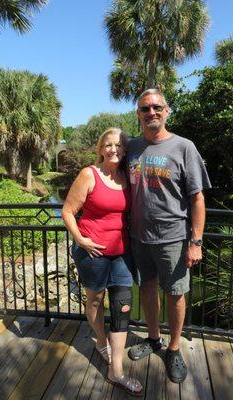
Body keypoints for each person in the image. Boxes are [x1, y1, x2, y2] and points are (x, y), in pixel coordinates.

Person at [126, 89, 211, 383]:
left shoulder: (184, 147)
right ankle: (153, 339)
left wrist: (196, 242)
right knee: (147, 289)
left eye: (156, 107)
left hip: (173, 238)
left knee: (175, 294)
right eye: (145, 108)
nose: (151, 112)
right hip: (139, 237)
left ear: (167, 110)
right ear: (138, 114)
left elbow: (197, 199)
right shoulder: (132, 147)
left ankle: (174, 349)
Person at [62, 128, 143, 397]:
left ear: (125, 149)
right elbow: (68, 211)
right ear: (100, 148)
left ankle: (116, 370)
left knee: (122, 306)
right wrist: (81, 240)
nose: (113, 150)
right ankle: (100, 340)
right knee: (95, 300)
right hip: (92, 254)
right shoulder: (89, 174)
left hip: (122, 252)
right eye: (108, 145)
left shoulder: (127, 177)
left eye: (119, 145)